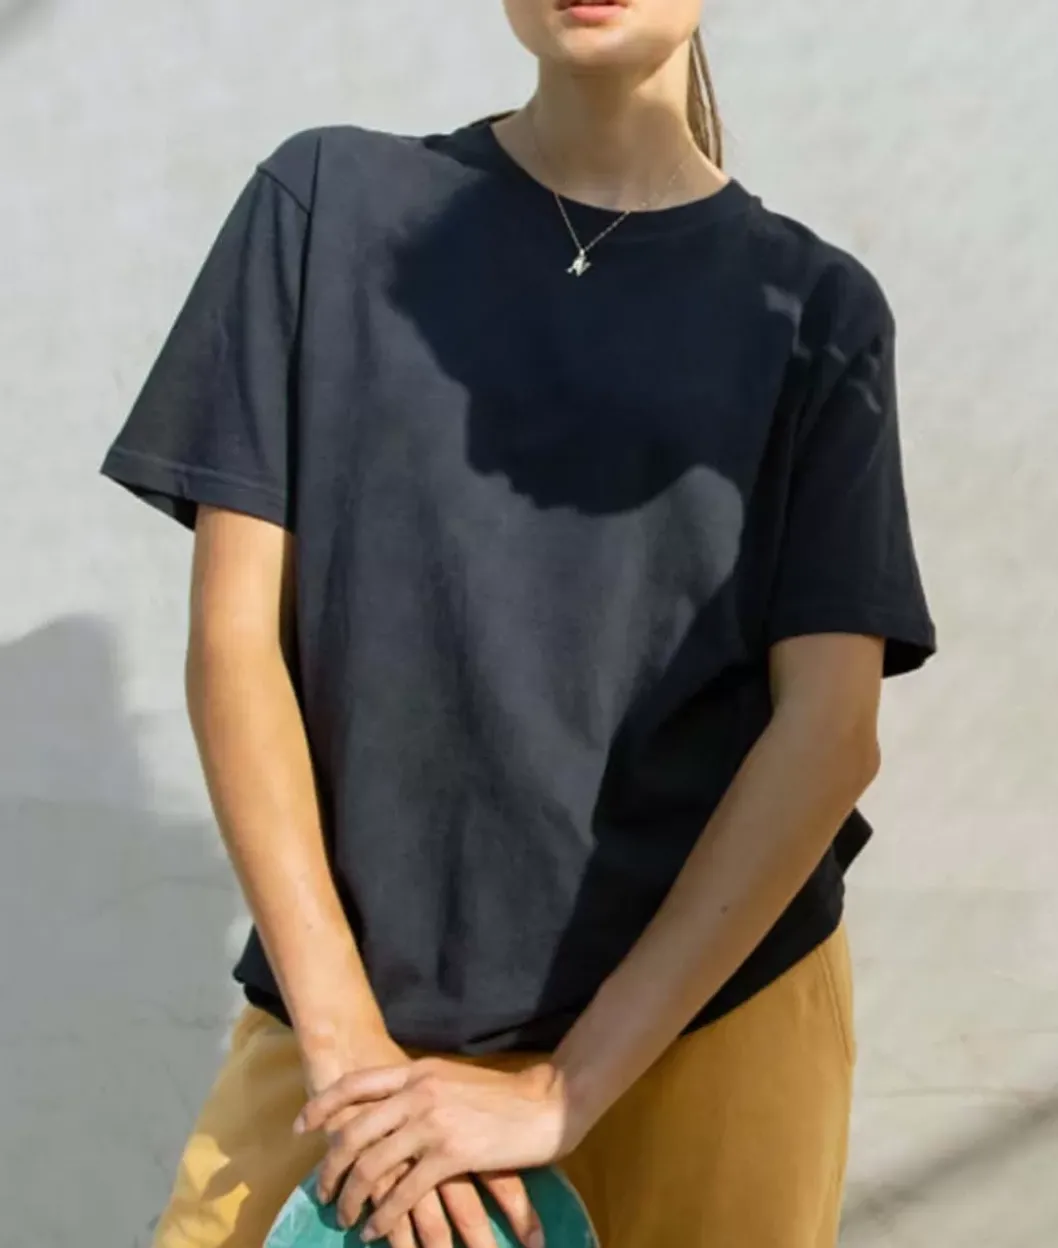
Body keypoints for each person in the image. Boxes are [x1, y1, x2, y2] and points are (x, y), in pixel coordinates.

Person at [101, 2, 937, 1245]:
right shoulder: (323, 204)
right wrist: (348, 1056)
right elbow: (235, 645)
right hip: (354, 1029)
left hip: (705, 1029)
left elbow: (827, 730)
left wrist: (564, 1089)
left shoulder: (815, 310)